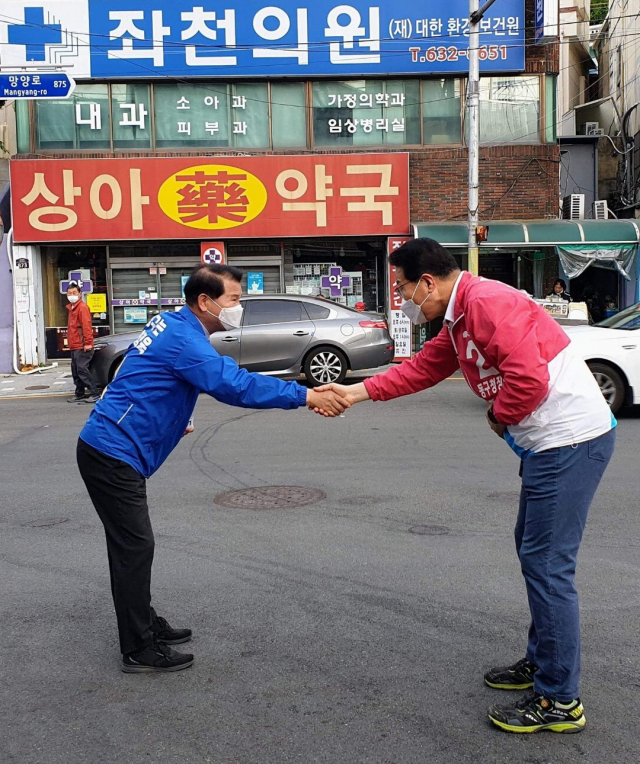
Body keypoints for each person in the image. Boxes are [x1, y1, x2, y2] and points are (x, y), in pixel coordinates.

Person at [321, 238, 616, 734]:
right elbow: (423, 368)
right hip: (549, 445)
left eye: (402, 288)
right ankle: (543, 662)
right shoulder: (460, 316)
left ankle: (561, 700)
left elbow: (529, 382)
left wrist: (499, 415)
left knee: (547, 566)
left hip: (569, 442)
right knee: (534, 555)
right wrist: (354, 392)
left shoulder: (486, 304)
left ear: (427, 282)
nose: (402, 298)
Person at [76, 264, 347, 674]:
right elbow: (235, 385)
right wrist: (306, 396)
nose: (239, 308)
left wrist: (173, 413)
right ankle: (138, 647)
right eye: (234, 300)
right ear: (205, 301)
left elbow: (143, 370)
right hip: (111, 454)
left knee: (133, 547)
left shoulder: (172, 323)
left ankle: (145, 622)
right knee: (134, 548)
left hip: (113, 445)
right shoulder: (185, 339)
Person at [66, 281, 101, 404]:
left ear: (80, 294)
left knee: (82, 370)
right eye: (69, 293)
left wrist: (88, 343)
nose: (72, 295)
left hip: (81, 345)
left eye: (74, 293)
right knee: (76, 371)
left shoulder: (82, 308)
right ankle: (79, 394)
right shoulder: (72, 308)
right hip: (74, 345)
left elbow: (86, 327)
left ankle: (95, 393)